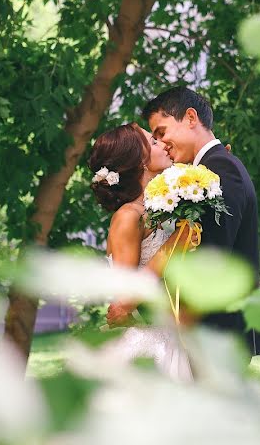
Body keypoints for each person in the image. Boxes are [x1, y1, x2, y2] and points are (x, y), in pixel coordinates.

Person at [142, 86, 260, 357]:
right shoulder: (213, 166)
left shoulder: (221, 170)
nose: (162, 143)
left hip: (218, 334)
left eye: (162, 132)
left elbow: (211, 257)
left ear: (191, 118)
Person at [87, 122, 193, 381]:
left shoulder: (160, 208)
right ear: (141, 162)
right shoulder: (127, 217)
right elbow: (124, 300)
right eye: (154, 142)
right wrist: (178, 241)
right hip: (150, 347)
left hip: (175, 335)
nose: (164, 144)